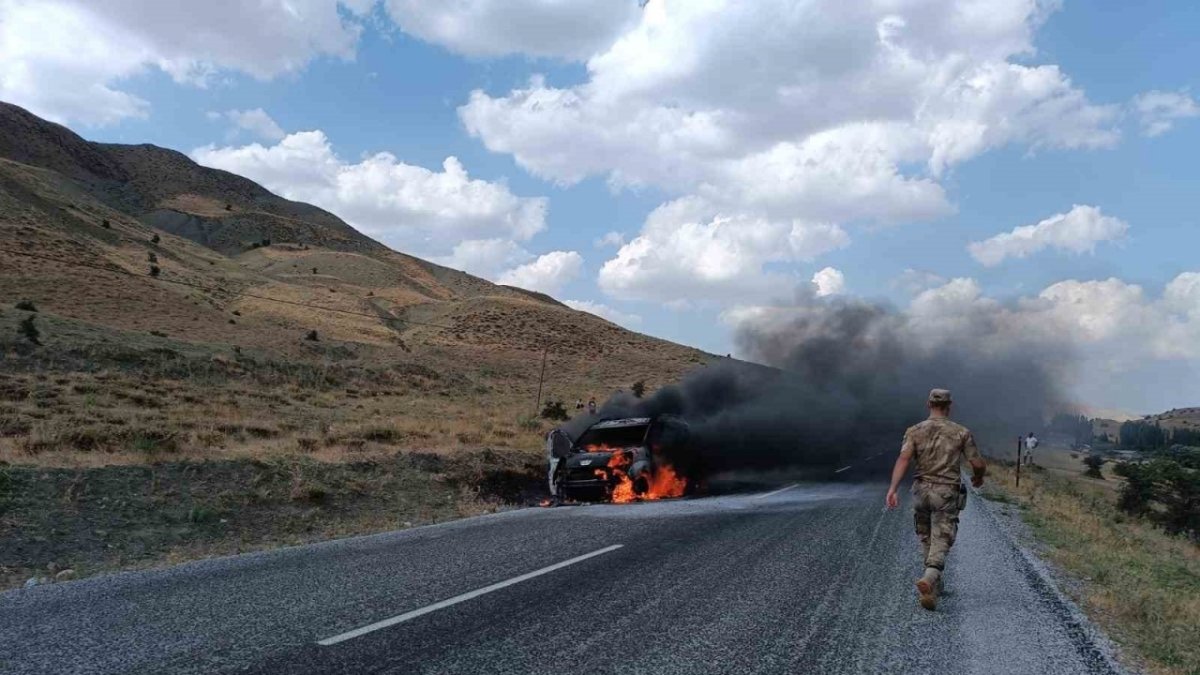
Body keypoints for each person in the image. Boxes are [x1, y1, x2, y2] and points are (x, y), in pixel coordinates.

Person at [885, 389, 987, 611]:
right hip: (946, 492)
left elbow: (903, 459)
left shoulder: (914, 431)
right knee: (942, 537)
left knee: (926, 536)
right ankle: (930, 577)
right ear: (949, 406)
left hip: (920, 490)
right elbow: (977, 462)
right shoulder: (961, 432)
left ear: (928, 404)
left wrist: (892, 488)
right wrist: (979, 477)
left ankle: (934, 586)